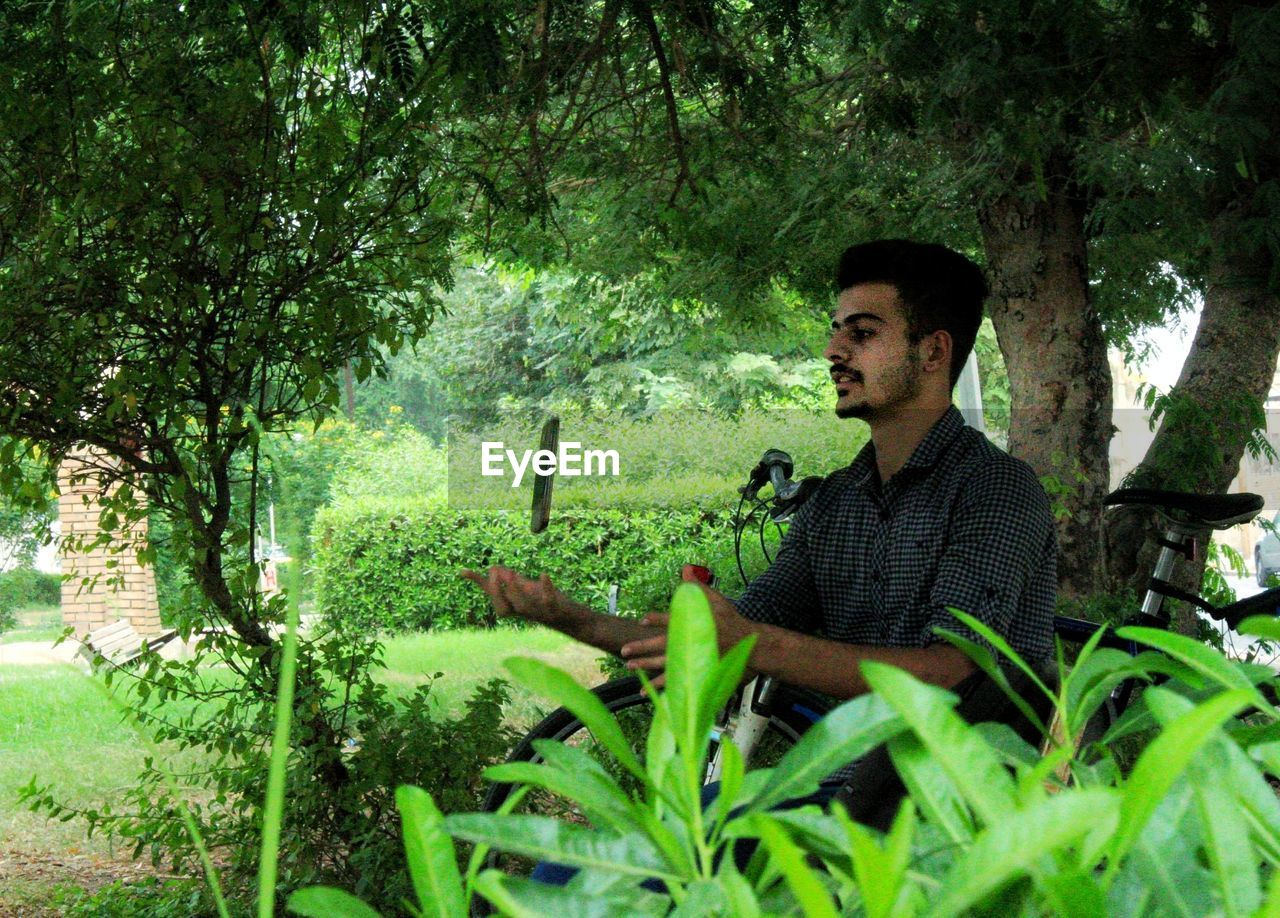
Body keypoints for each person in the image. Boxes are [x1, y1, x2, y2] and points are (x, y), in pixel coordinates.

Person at [462, 238, 1057, 828]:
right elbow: (721, 645)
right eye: (835, 330)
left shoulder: (996, 491)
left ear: (933, 353)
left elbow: (951, 673)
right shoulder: (839, 502)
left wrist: (752, 643)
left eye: (863, 333)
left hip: (961, 823)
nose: (833, 350)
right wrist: (568, 617)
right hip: (845, 800)